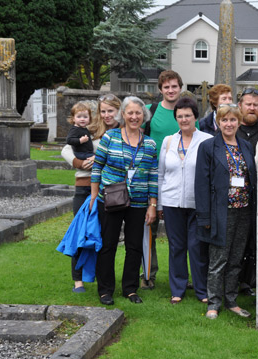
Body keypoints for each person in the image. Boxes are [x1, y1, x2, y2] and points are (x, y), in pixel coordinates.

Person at [90, 96, 158, 305]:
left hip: (138, 202)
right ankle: (105, 290)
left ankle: (130, 288)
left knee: (134, 246)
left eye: (138, 113)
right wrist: (93, 197)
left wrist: (152, 205)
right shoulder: (110, 137)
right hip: (110, 200)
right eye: (130, 113)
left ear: (143, 116)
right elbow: (97, 167)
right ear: (123, 115)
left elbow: (153, 175)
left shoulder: (150, 144)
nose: (134, 117)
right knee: (107, 245)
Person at [195, 104, 257, 319]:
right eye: (224, 120)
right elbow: (201, 184)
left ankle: (231, 300)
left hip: (244, 211)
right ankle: (213, 303)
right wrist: (205, 216)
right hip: (221, 212)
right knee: (218, 260)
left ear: (239, 121)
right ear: (218, 123)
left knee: (236, 259)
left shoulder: (246, 146)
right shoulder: (208, 146)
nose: (229, 124)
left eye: (232, 120)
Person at [61, 94, 121, 293]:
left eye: (110, 111)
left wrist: (99, 160)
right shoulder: (90, 129)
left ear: (118, 111)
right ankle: (77, 280)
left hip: (108, 190)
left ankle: (102, 278)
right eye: (103, 111)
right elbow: (66, 149)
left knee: (102, 236)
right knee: (80, 232)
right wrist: (79, 163)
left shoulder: (122, 131)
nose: (106, 115)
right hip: (83, 185)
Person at [158, 97, 212, 304]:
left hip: (197, 204)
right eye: (179, 116)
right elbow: (161, 174)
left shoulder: (207, 140)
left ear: (195, 117)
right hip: (172, 203)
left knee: (197, 247)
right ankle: (178, 289)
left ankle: (201, 290)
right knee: (176, 247)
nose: (183, 119)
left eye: (187, 115)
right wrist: (160, 204)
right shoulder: (169, 141)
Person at [140, 70, 188, 290]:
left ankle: (184, 276)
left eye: (174, 86)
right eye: (166, 87)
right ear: (160, 90)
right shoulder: (151, 112)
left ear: (180, 87)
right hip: (152, 176)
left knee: (181, 233)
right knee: (148, 226)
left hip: (178, 180)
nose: (170, 90)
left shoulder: (186, 113)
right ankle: (148, 273)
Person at [236, 88, 258, 295]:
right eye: (248, 104)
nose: (252, 108)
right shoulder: (231, 129)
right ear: (240, 106)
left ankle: (252, 281)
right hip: (236, 195)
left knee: (257, 240)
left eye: (256, 104)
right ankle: (235, 281)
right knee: (238, 240)